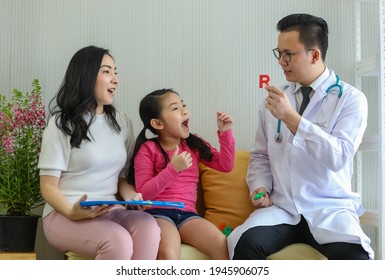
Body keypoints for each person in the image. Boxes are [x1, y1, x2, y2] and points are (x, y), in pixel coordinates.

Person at [227, 13, 374, 260]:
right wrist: (259, 186)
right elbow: (261, 156)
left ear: (314, 55)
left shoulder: (350, 99)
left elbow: (338, 156)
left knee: (357, 257)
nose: (281, 61)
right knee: (246, 245)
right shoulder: (273, 102)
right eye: (279, 53)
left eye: (289, 54)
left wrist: (292, 118)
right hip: (283, 209)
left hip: (328, 210)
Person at [38, 46, 160, 260]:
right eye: (106, 71)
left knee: (148, 226)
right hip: (63, 213)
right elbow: (48, 186)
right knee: (117, 241)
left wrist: (132, 196)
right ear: (86, 76)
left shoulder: (122, 122)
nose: (115, 79)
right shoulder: (61, 124)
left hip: (107, 209)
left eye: (115, 72)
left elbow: (122, 178)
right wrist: (71, 211)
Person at [127, 88, 235, 259]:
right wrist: (173, 169)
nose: (184, 110)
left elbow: (225, 165)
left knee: (221, 243)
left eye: (183, 105)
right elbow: (143, 193)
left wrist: (225, 133)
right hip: (158, 213)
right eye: (175, 108)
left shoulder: (193, 144)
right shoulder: (148, 149)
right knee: (169, 252)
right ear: (158, 124)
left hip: (188, 215)